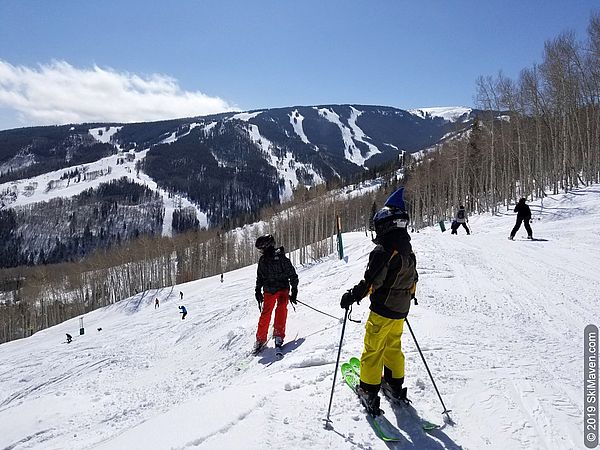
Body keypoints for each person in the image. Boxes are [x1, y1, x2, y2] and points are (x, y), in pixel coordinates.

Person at [340, 205, 418, 416]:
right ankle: (394, 386)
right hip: (400, 311)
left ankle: (368, 390)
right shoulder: (407, 250)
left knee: (373, 351)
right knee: (393, 347)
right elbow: (413, 280)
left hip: (383, 310)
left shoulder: (384, 251)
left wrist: (352, 296)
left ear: (385, 226)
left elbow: (371, 282)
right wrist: (407, 298)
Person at [253, 234, 299, 354]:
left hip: (282, 289)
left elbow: (292, 274)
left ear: (268, 247)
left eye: (262, 249)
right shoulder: (263, 261)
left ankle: (279, 335)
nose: (261, 251)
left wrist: (294, 290)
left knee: (281, 309)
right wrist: (257, 290)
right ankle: (260, 338)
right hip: (269, 290)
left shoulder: (281, 258)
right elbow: (260, 277)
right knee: (266, 313)